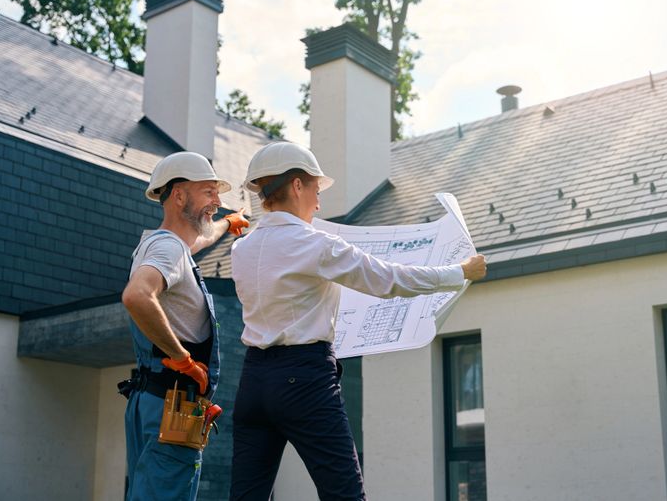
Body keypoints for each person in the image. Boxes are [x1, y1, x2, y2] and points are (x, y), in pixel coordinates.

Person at [229, 141, 486, 500]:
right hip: (304, 380)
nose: (319, 202)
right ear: (298, 185)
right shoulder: (316, 244)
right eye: (316, 189)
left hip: (253, 382)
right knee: (344, 494)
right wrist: (459, 271)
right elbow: (390, 279)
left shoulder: (240, 249)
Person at [120, 151, 249, 501]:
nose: (217, 201)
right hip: (170, 408)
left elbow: (199, 240)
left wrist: (228, 223)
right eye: (209, 192)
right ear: (179, 195)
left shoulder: (167, 244)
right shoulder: (169, 250)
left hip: (154, 402)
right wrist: (182, 359)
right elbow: (137, 296)